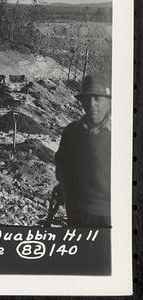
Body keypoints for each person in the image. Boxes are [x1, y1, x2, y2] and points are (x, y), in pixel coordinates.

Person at [54, 75, 111, 227]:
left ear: (109, 102)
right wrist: (65, 190)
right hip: (76, 212)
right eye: (87, 99)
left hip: (107, 215)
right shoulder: (71, 131)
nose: (92, 104)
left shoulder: (118, 136)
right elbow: (61, 165)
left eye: (97, 99)